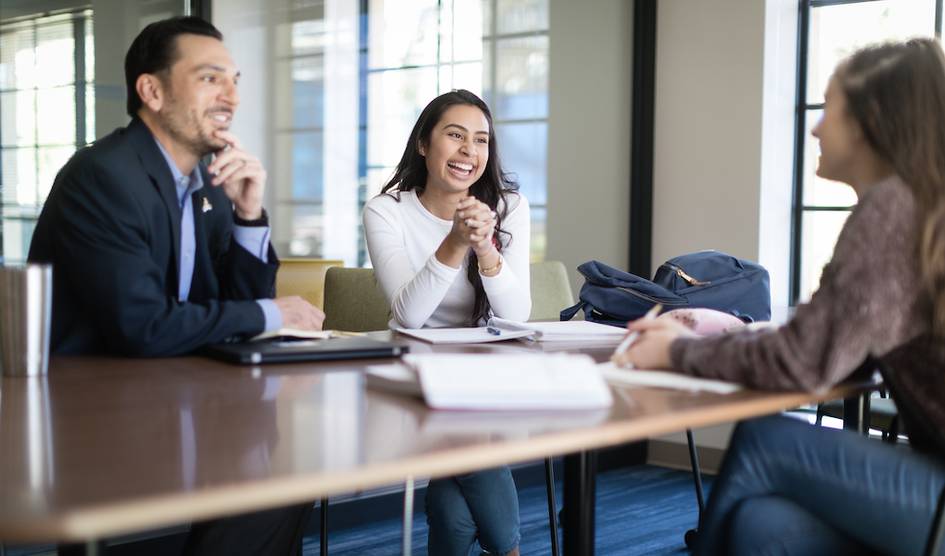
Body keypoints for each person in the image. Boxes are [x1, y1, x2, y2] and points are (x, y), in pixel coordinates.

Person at [614, 38, 945, 555]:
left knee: (764, 436)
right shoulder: (921, 210)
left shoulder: (892, 213)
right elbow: (831, 347)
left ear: (870, 121)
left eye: (829, 109)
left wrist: (674, 351)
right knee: (761, 526)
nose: (814, 126)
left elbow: (804, 360)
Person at [28, 16, 323, 554]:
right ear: (153, 91)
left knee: (285, 478)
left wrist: (249, 214)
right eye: (211, 78)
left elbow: (232, 306)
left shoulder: (204, 181)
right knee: (269, 491)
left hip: (175, 396)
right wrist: (273, 313)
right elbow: (142, 325)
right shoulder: (104, 175)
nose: (231, 94)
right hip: (97, 414)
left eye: (234, 79)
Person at [363, 89, 530, 555]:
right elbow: (408, 315)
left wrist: (486, 248)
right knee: (470, 443)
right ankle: (509, 549)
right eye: (454, 136)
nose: (468, 152)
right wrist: (455, 243)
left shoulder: (509, 206)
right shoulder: (386, 210)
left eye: (480, 141)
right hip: (415, 373)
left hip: (489, 371)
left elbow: (516, 313)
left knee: (455, 508)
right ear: (423, 143)